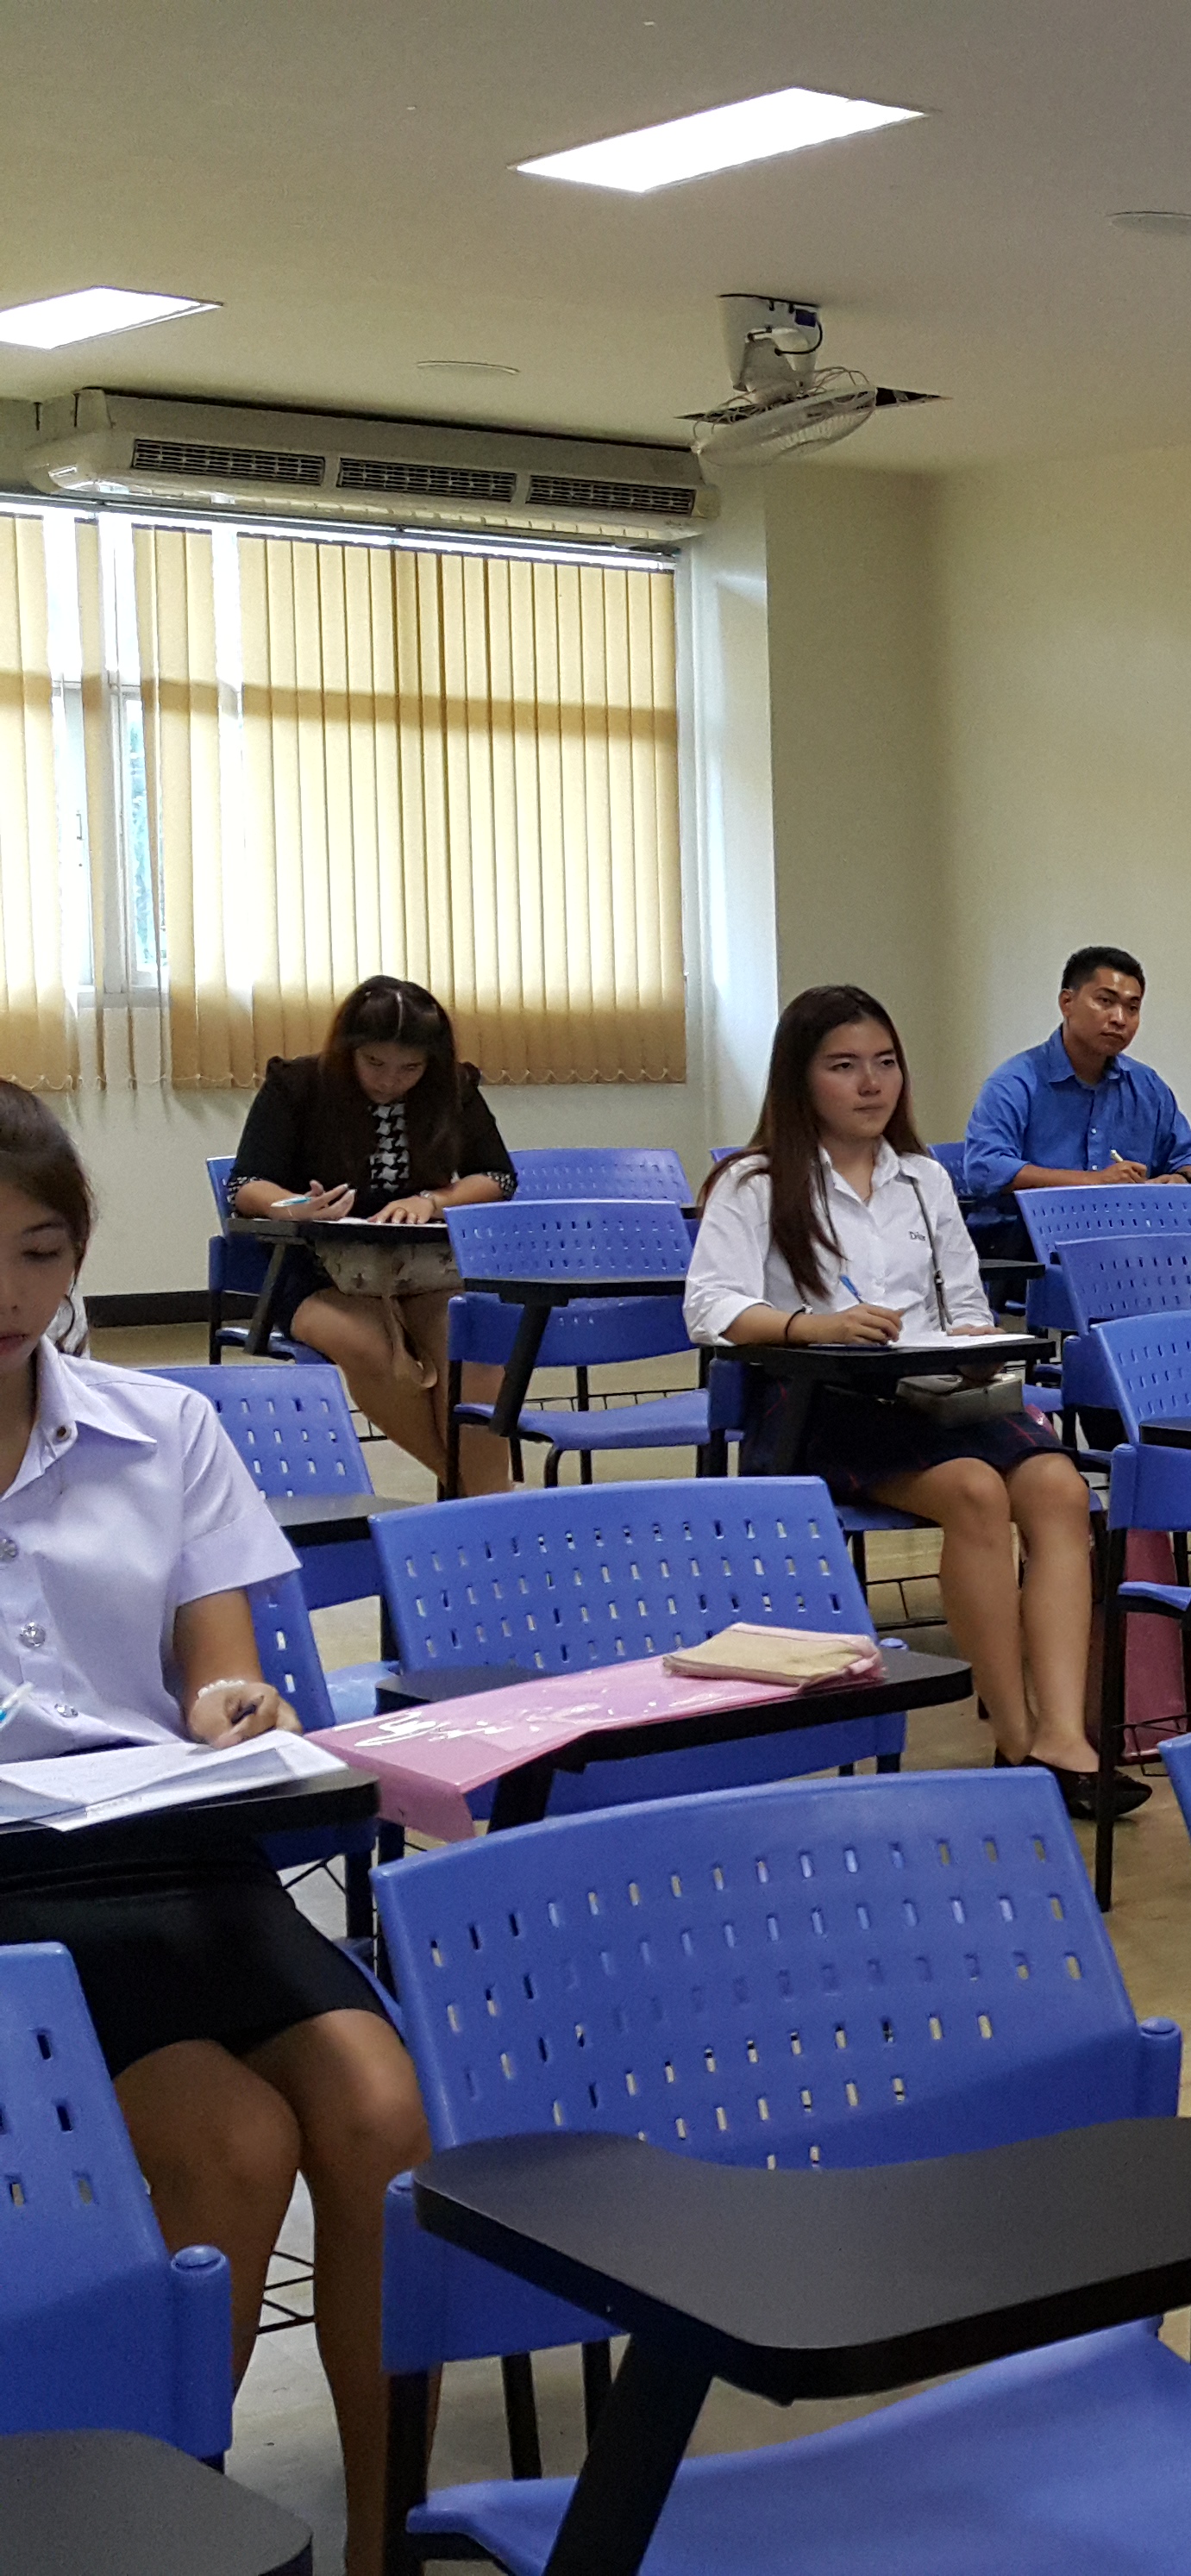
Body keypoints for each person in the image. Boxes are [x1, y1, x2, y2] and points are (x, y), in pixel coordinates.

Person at [0, 1080, 428, 2576]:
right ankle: (160, 2529)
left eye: (41, 1254)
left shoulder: (161, 1424)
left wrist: (231, 1705)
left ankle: (383, 2543)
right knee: (234, 2142)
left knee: (381, 2112)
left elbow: (217, 1672)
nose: (11, 1296)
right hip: (13, 1886)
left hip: (171, 1843)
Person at [692, 985, 1138, 1822]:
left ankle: (1064, 1735)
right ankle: (1016, 1740)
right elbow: (710, 1307)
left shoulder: (924, 1176)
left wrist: (975, 1344)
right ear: (800, 1078)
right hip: (823, 1400)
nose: (871, 1084)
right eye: (844, 1066)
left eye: (886, 1063)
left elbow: (963, 1302)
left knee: (1059, 1488)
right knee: (974, 1491)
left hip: (935, 1393)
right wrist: (814, 1325)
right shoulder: (754, 1182)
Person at [225, 974, 516, 1491]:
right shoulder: (297, 1085)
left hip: (424, 1266)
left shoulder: (452, 1087)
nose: (389, 1081)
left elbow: (497, 1177)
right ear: (348, 1050)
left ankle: (481, 1503)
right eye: (375, 1063)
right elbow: (246, 1185)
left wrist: (431, 1201)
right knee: (369, 1348)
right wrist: (297, 1207)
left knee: (473, 1353)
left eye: (410, 1068)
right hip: (316, 1269)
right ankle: (481, 1500)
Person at [953, 945, 1191, 1255]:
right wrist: (1094, 1182)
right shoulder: (1014, 1082)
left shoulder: (1147, 1086)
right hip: (1031, 1248)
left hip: (1129, 1246)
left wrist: (1183, 1179)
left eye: (1132, 1008)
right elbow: (986, 1168)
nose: (1120, 1019)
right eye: (1105, 1001)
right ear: (1067, 1003)